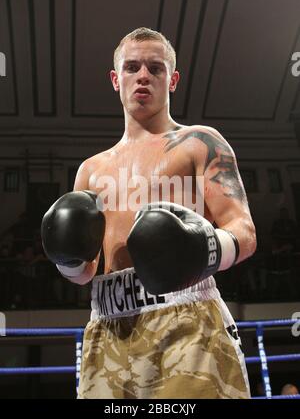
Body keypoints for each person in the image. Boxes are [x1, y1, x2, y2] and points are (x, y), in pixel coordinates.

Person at [41, 27, 256, 399]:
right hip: (106, 328)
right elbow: (85, 272)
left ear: (172, 80)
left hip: (187, 322)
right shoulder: (90, 170)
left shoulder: (199, 143)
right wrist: (68, 260)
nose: (143, 75)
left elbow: (244, 231)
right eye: (132, 67)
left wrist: (201, 248)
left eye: (155, 68)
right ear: (115, 79)